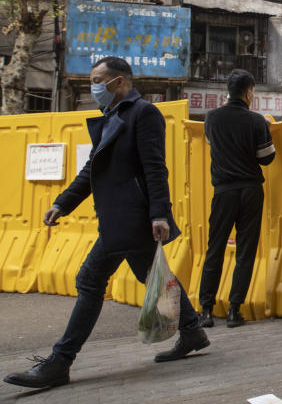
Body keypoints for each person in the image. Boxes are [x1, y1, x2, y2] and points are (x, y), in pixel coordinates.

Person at [3, 57, 209, 390]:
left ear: (120, 82)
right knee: (153, 274)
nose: (93, 86)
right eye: (91, 80)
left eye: (98, 80)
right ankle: (192, 330)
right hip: (119, 216)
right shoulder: (111, 116)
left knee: (90, 280)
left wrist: (159, 213)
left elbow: (156, 168)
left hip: (131, 217)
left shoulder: (144, 114)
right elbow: (91, 171)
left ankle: (60, 361)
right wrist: (62, 203)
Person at [197, 69, 275, 328]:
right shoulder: (256, 121)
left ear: (227, 91)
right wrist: (265, 129)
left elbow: (212, 144)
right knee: (245, 251)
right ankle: (233, 310)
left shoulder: (212, 118)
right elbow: (267, 158)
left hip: (223, 192)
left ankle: (206, 310)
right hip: (250, 190)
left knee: (215, 249)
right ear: (249, 91)